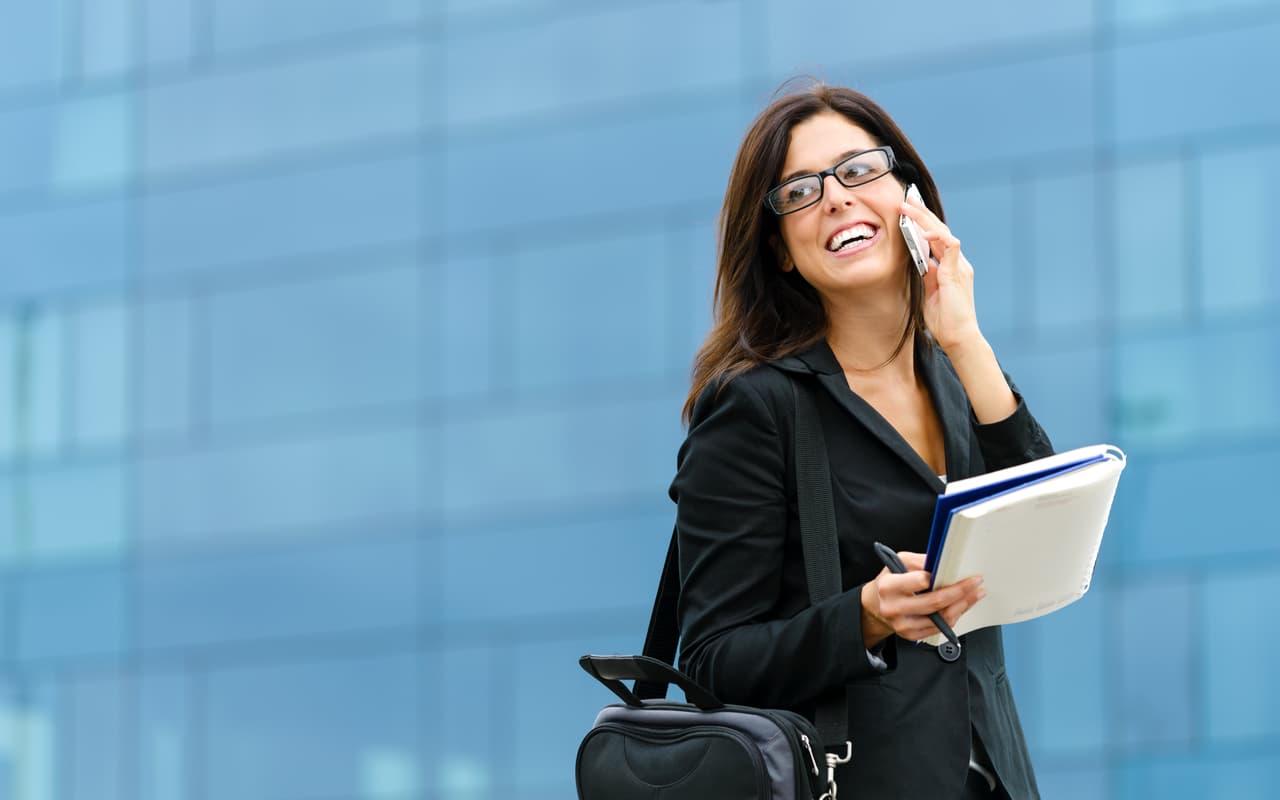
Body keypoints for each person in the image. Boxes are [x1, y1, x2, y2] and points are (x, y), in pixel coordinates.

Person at [670, 82, 1054, 798]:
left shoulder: (954, 372)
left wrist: (966, 340)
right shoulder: (753, 407)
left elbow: (1044, 529)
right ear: (782, 251)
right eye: (800, 192)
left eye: (857, 170)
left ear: (909, 197)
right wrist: (866, 618)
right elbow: (712, 659)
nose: (836, 198)